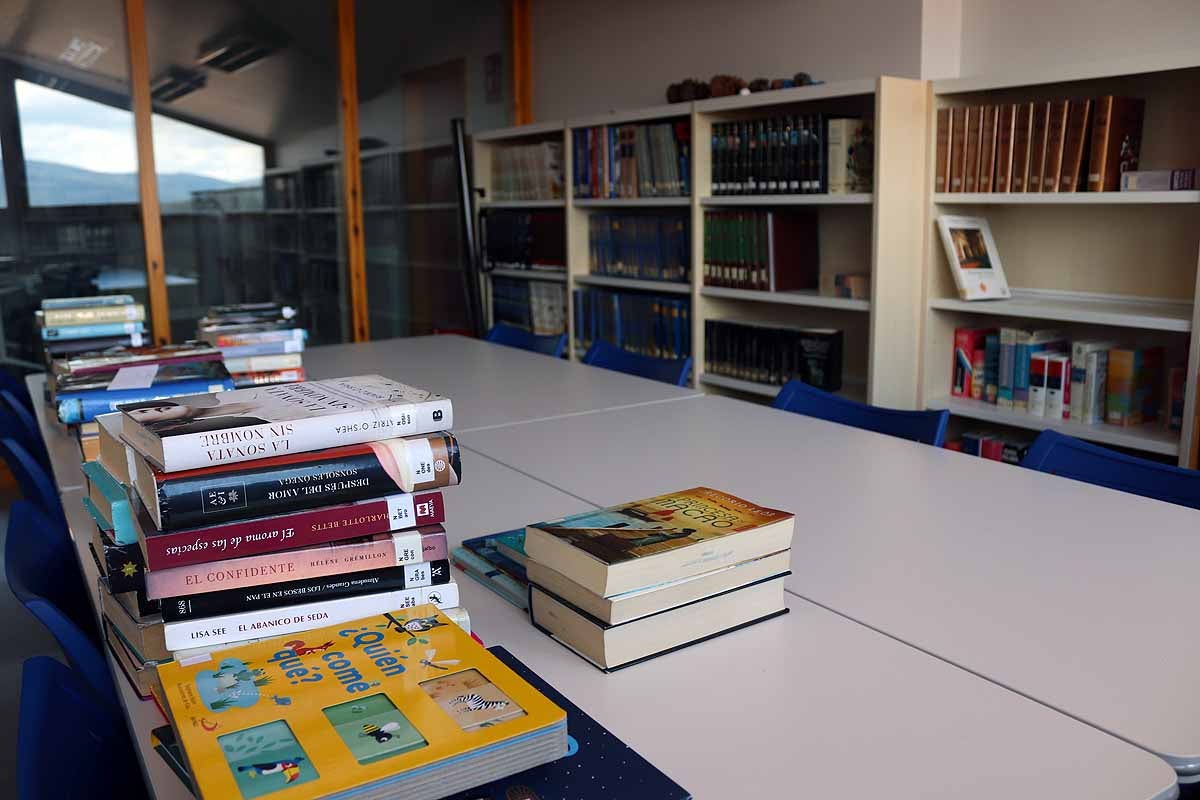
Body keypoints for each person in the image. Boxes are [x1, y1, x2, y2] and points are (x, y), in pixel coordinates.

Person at [120, 396, 269, 436]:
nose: (156, 409)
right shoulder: (254, 422)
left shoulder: (223, 395)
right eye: (146, 413)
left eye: (143, 409)